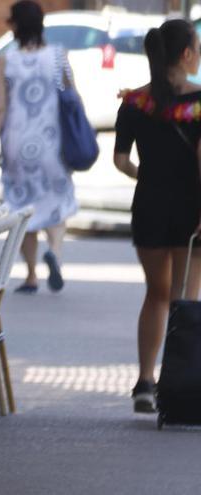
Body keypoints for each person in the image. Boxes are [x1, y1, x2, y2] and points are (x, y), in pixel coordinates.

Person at [114, 19, 201, 413]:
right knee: (185, 299)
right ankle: (177, 383)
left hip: (148, 204)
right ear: (185, 54)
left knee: (155, 294)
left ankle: (145, 381)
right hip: (191, 211)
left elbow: (120, 159)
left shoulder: (135, 101)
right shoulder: (199, 103)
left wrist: (148, 175)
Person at [0, 0, 77, 294]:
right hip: (51, 141)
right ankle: (55, 252)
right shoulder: (58, 56)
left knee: (24, 208)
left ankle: (30, 276)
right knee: (56, 200)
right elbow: (71, 96)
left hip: (17, 143)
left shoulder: (5, 61)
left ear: (15, 26)